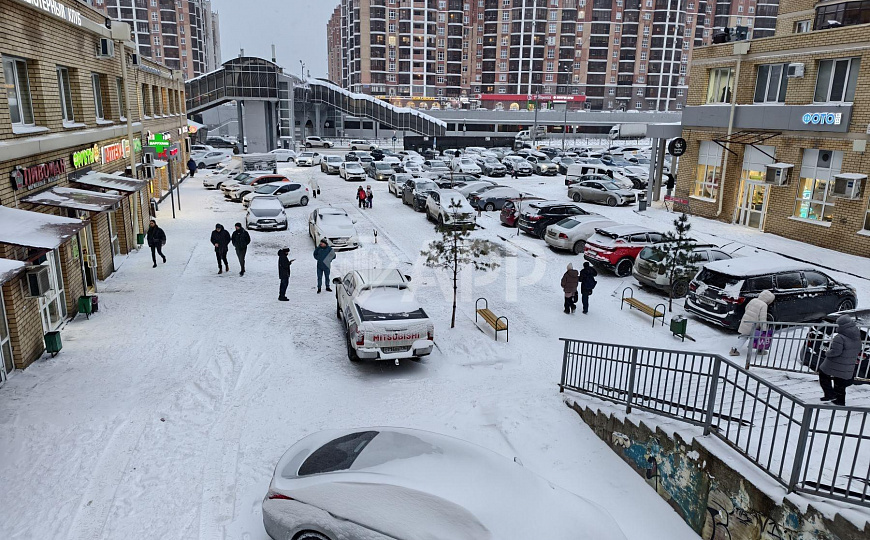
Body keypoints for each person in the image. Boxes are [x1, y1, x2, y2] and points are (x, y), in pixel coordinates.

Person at [818, 315, 861, 406]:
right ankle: (840, 400)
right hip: (848, 363)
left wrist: (827, 353)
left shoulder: (840, 337)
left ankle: (830, 394)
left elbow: (835, 352)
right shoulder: (856, 335)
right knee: (840, 382)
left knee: (823, 373)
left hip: (835, 362)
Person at [730, 290, 775, 356]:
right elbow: (762, 318)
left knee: (744, 336)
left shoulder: (753, 300)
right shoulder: (764, 305)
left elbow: (746, 308)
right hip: (754, 324)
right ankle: (760, 350)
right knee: (760, 337)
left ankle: (734, 349)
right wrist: (764, 329)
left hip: (746, 320)